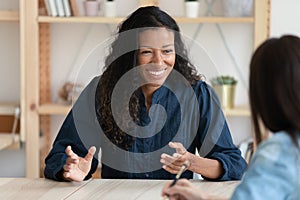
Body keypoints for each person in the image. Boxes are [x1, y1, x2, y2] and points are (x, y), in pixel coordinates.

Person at [44, 6, 247, 182]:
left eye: (167, 51)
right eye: (146, 52)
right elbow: (60, 156)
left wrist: (193, 162)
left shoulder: (197, 94)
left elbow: (234, 164)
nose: (159, 62)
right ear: (129, 55)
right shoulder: (101, 91)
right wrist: (69, 170)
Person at [162, 35, 300, 199]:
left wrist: (192, 164)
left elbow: (235, 166)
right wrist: (203, 198)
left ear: (263, 95)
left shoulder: (279, 152)